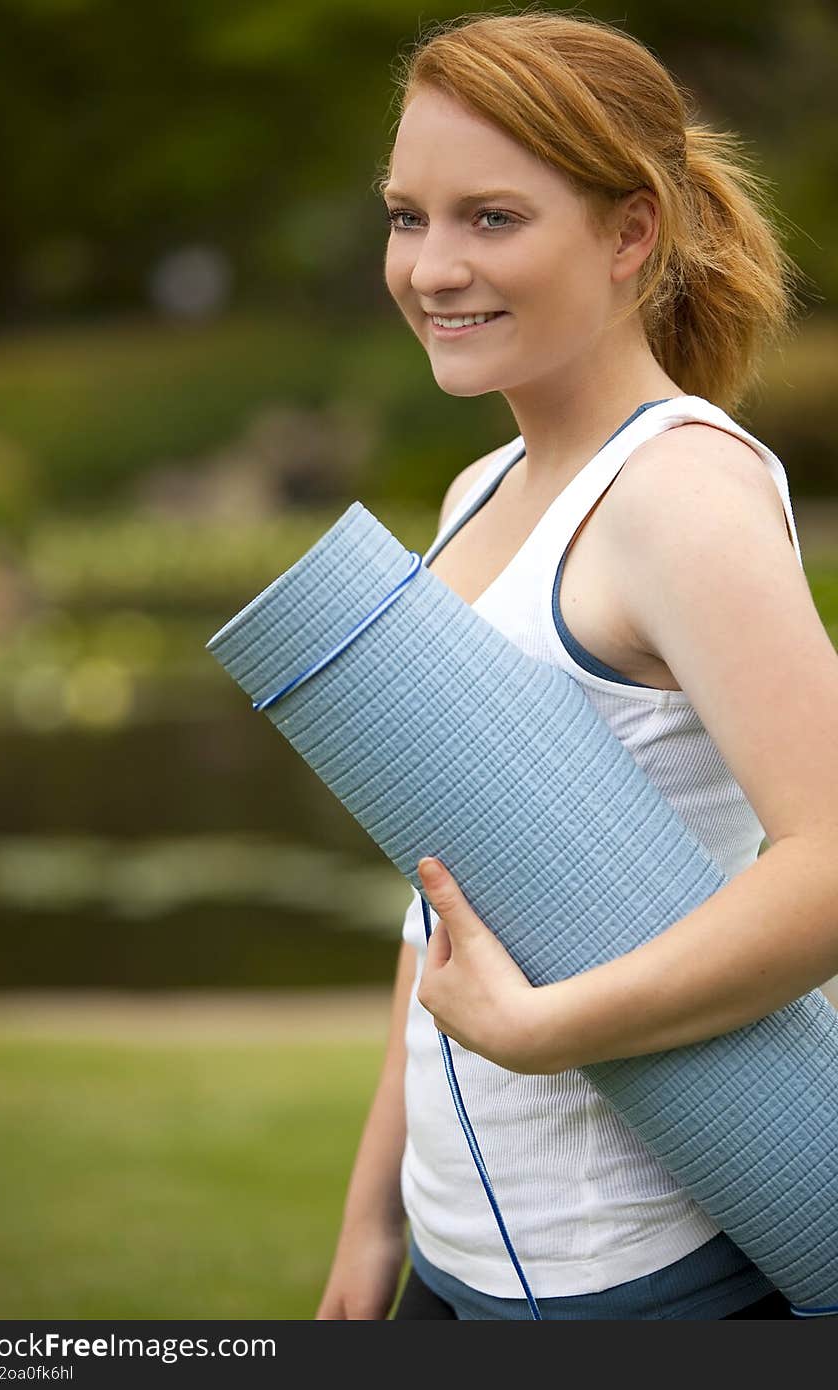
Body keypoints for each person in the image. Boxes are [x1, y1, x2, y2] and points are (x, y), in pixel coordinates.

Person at [316, 10, 837, 1320]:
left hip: (641, 1276)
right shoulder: (475, 489)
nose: (433, 267)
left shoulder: (682, 497)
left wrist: (550, 1030)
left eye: (492, 217)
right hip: (454, 1256)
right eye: (407, 216)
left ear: (629, 233)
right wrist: (372, 1224)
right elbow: (443, 898)